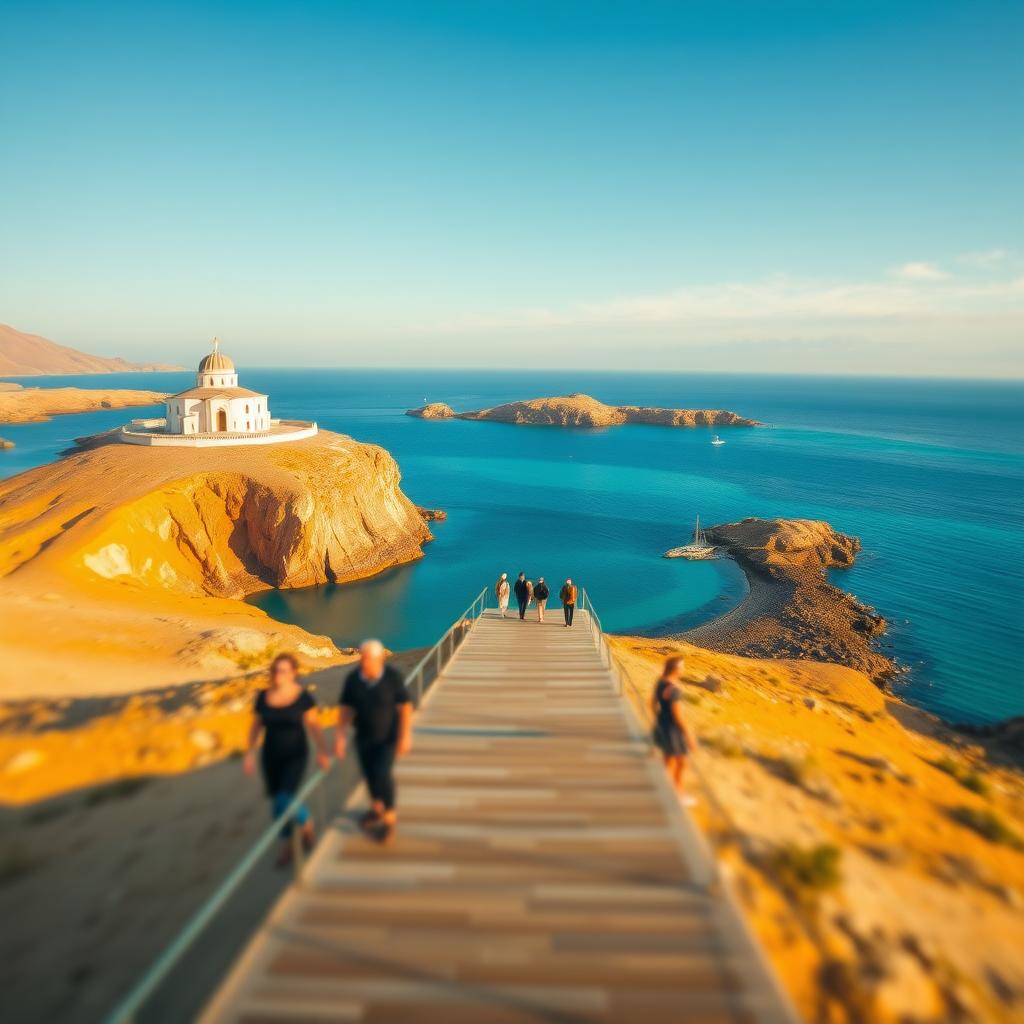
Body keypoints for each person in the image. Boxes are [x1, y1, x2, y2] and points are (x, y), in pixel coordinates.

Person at [244, 653, 331, 867]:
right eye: (275, 670)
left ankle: (306, 821)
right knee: (276, 802)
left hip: (296, 754)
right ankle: (287, 844)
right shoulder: (264, 697)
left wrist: (321, 750)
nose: (278, 674)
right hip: (270, 756)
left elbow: (313, 724)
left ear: (293, 673)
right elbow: (256, 726)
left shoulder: (302, 696)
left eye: (283, 670)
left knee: (285, 797)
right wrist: (249, 753)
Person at [335, 639, 413, 843]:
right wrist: (340, 735)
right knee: (369, 776)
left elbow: (405, 706)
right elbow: (345, 708)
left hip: (388, 737)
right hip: (363, 736)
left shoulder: (392, 678)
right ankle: (376, 809)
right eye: (363, 656)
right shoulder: (354, 679)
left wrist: (405, 735)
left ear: (379, 659)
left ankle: (389, 819)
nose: (364, 660)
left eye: (368, 657)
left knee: (381, 774)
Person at [651, 656, 699, 806]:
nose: (683, 669)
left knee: (668, 761)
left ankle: (664, 792)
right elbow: (677, 715)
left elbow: (653, 703)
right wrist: (688, 735)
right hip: (673, 729)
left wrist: (659, 720)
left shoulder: (661, 681)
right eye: (682, 667)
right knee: (681, 763)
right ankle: (677, 796)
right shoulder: (673, 689)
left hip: (662, 725)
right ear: (676, 669)